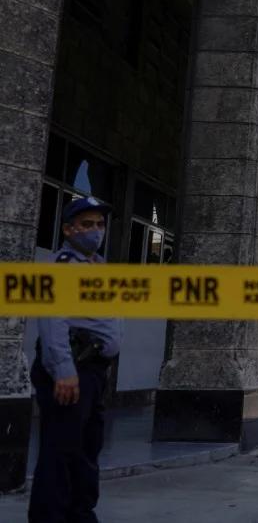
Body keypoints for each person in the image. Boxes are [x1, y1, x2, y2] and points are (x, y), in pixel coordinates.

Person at [30, 197, 122, 523]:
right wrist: (63, 370)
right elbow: (53, 319)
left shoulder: (95, 265)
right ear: (68, 230)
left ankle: (80, 515)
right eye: (87, 224)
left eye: (99, 224)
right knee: (63, 451)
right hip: (73, 370)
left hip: (94, 371)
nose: (96, 231)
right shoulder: (64, 267)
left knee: (86, 450)